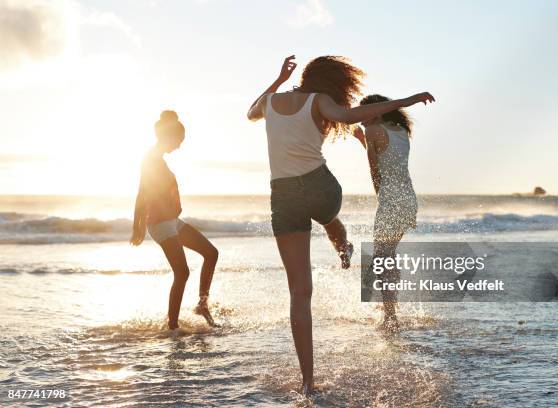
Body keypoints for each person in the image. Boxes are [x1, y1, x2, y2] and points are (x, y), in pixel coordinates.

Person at [247, 55, 435, 394]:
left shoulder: (271, 101)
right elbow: (351, 116)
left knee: (299, 294)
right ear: (333, 83)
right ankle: (342, 242)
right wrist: (408, 100)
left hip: (284, 197)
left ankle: (307, 383)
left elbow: (250, 113)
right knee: (329, 217)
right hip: (321, 189)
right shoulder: (320, 101)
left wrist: (277, 80)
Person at [130, 110, 219, 331]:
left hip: (171, 221)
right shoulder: (151, 159)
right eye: (179, 140)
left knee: (211, 253)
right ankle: (172, 327)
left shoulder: (157, 158)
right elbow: (143, 192)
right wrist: (138, 225)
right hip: (160, 223)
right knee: (182, 272)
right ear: (169, 136)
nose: (179, 145)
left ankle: (202, 305)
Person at [353, 94, 427, 331]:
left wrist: (382, 200)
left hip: (392, 201)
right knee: (386, 255)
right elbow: (388, 158)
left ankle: (390, 316)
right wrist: (361, 141)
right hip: (408, 199)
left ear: (377, 112)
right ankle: (389, 307)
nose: (359, 117)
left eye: (363, 112)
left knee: (383, 257)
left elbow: (376, 171)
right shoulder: (400, 131)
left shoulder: (372, 130)